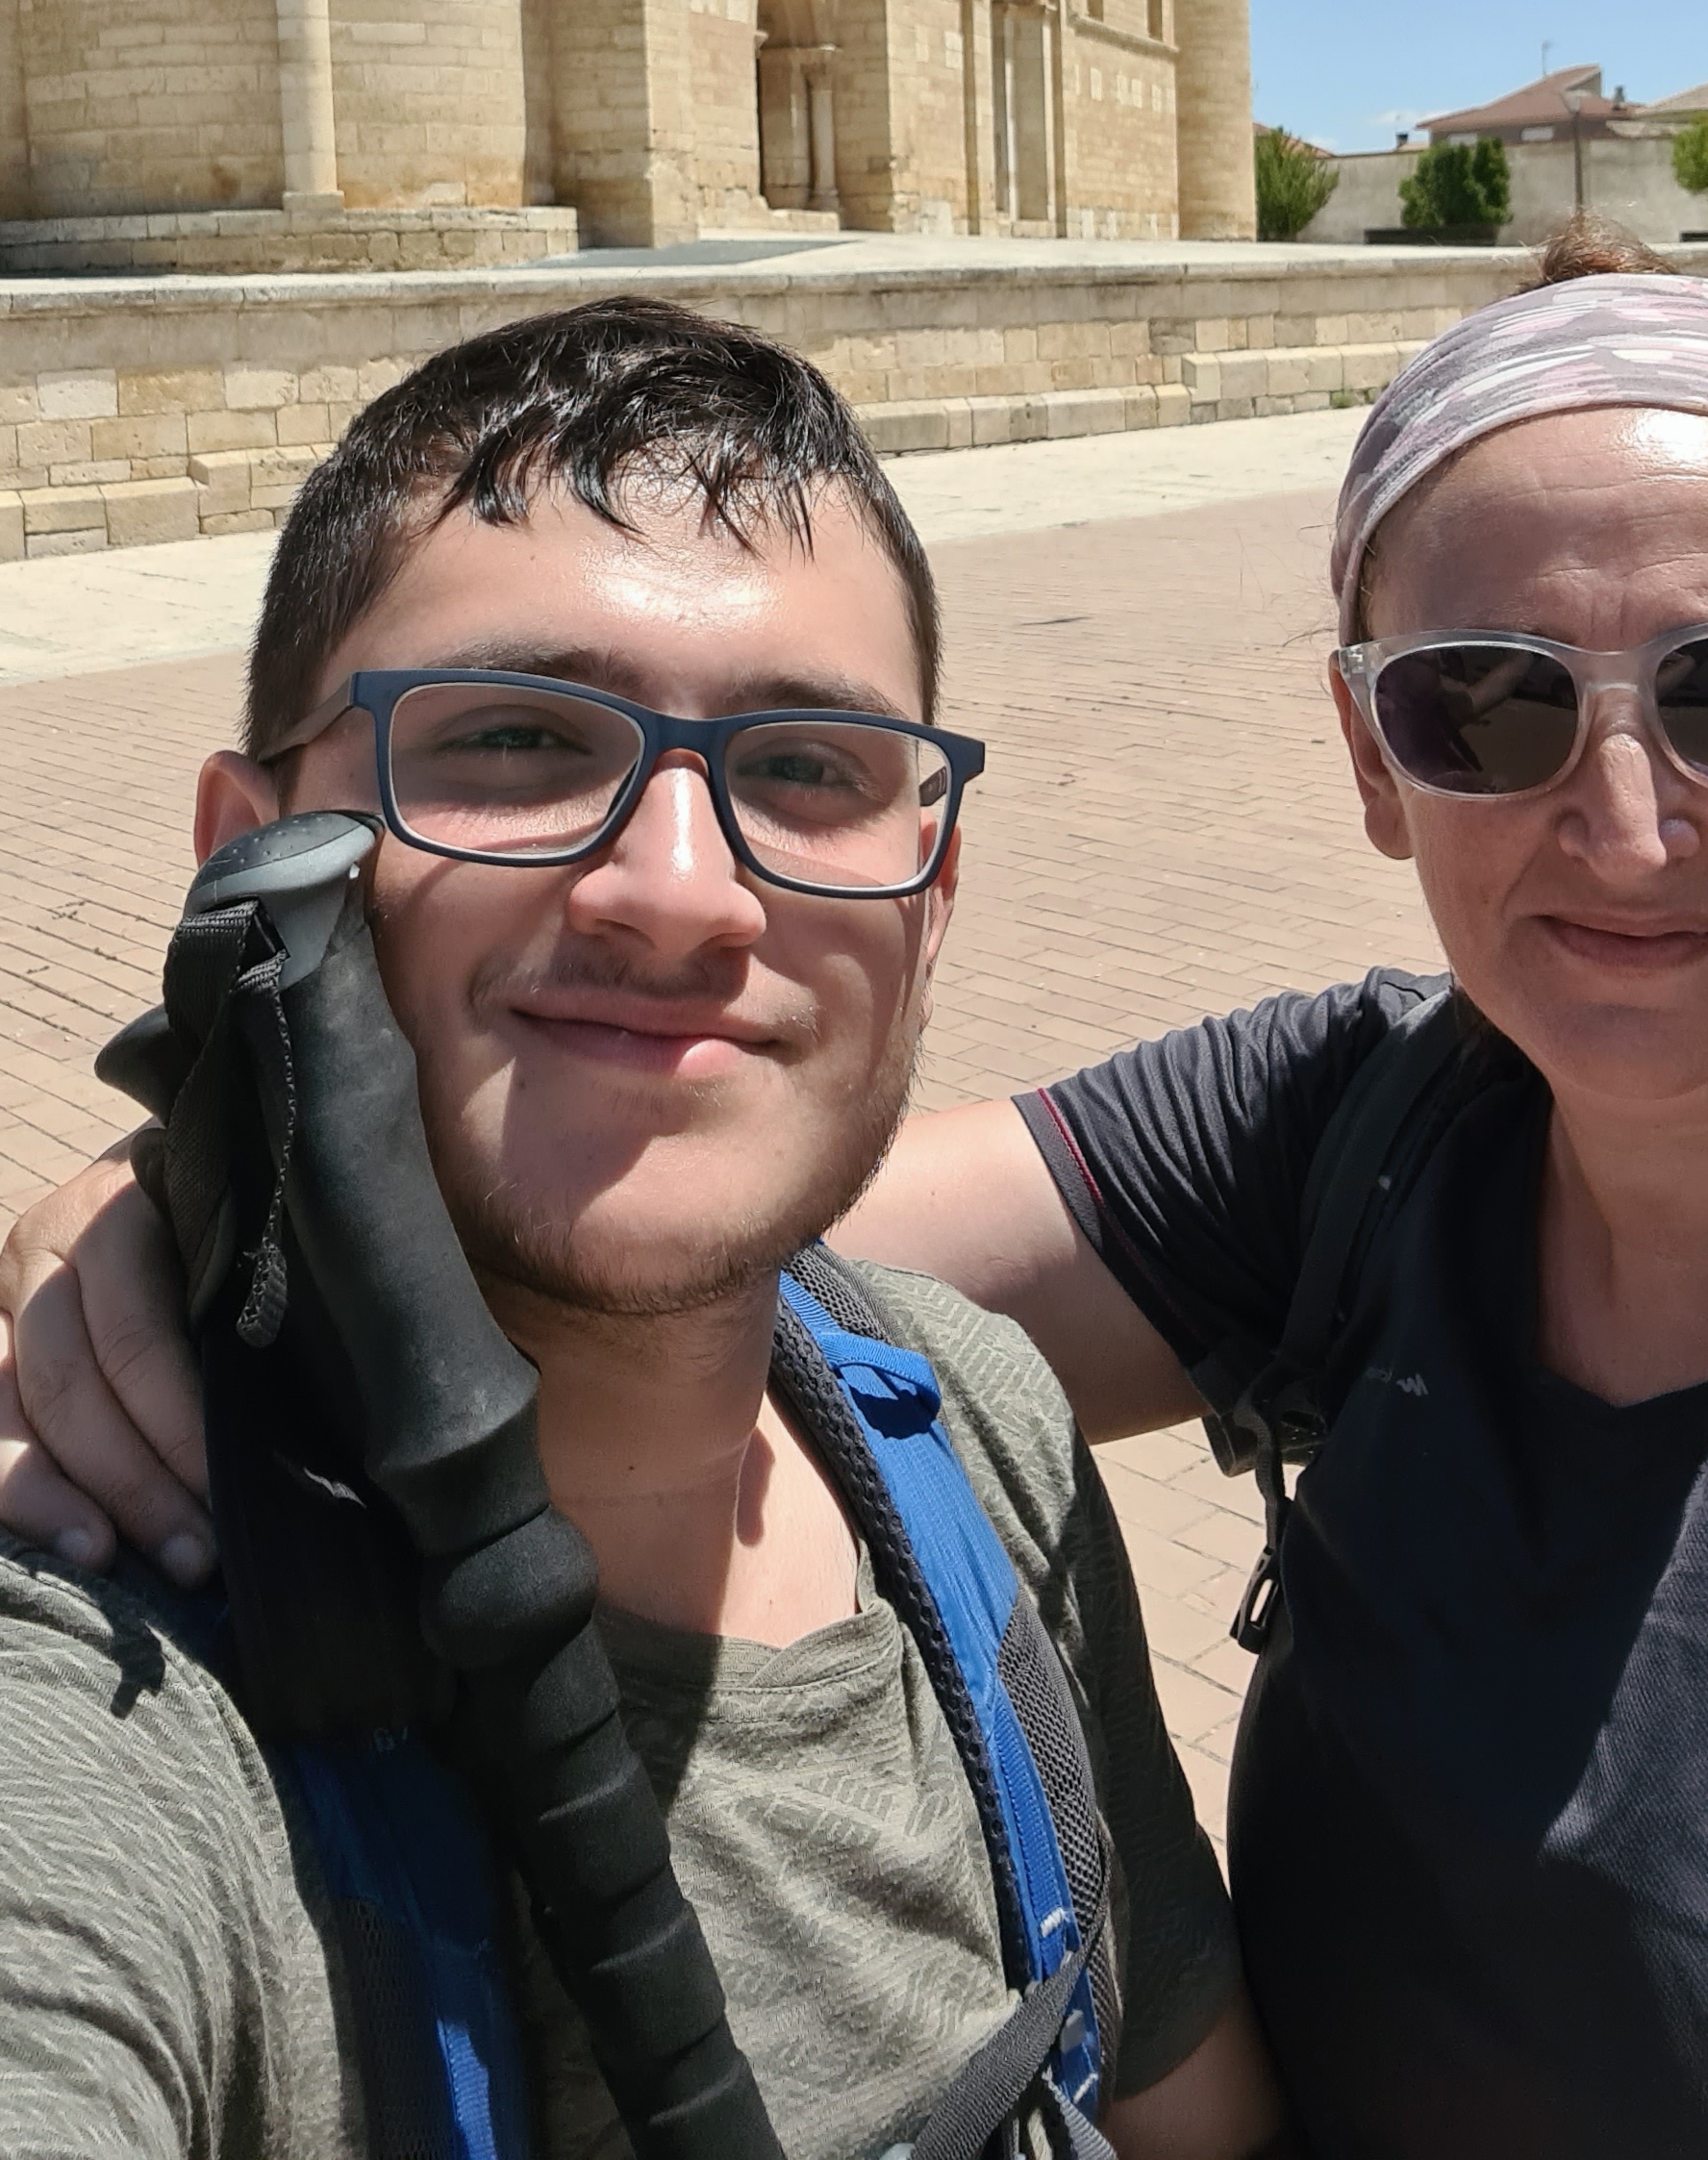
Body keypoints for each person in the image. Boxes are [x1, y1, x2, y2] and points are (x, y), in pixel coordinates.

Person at [19, 232, 1708, 2152]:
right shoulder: (1363, 1136)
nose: (1626, 817)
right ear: (1371, 752)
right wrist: (202, 1171)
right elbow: (689, 1220)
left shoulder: (982, 1460)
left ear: (930, 882)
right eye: (1485, 701)